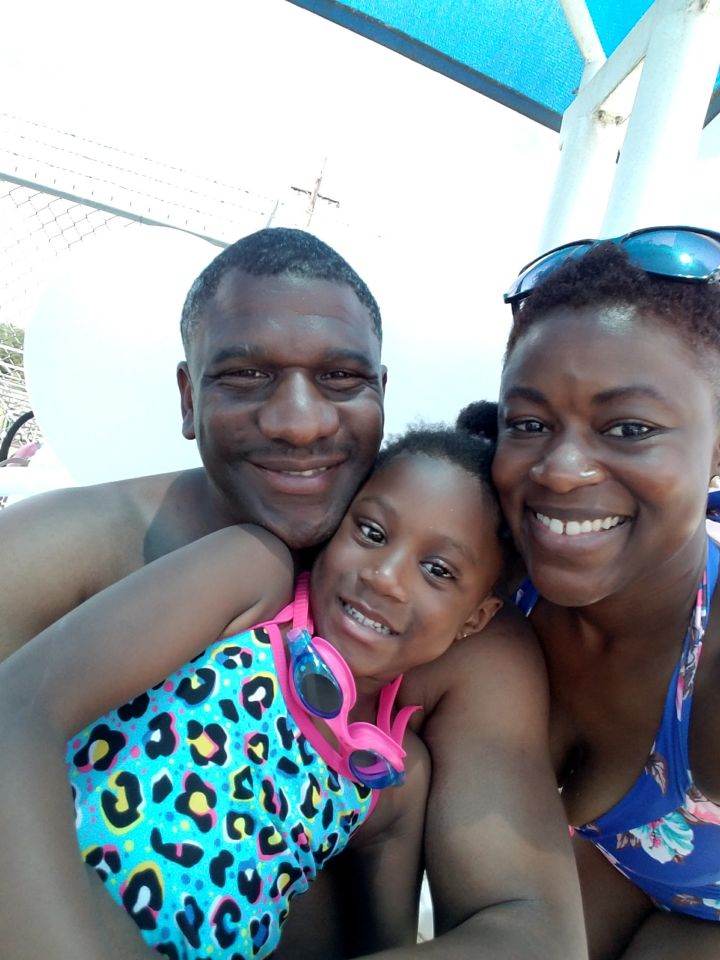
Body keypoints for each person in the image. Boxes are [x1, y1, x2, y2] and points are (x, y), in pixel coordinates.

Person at [0, 227, 586, 959]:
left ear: (380, 392)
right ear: (188, 397)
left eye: (340, 377)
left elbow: (532, 932)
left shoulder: (456, 657)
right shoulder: (64, 551)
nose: (300, 422)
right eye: (245, 374)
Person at [0, 424, 507, 960]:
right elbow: (27, 703)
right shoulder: (255, 577)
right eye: (372, 532)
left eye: (437, 570)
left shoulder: (392, 782)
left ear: (475, 619)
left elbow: (377, 946)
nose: (385, 577)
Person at [494, 227, 720, 960]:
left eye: (629, 428)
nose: (561, 470)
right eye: (529, 423)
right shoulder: (486, 585)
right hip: (608, 862)